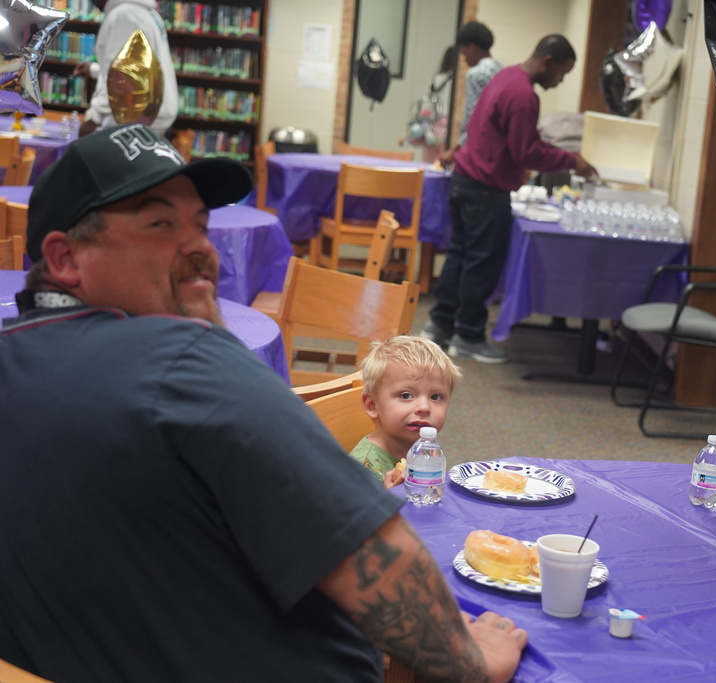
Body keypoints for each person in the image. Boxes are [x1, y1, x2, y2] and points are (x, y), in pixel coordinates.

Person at [0, 123, 526, 682]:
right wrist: (472, 663)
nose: (201, 247)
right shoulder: (185, 361)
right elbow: (373, 555)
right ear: (64, 258)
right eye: (160, 224)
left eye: (199, 224)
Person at [422, 35, 598, 363]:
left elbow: (480, 128)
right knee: (481, 264)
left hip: (464, 179)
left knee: (459, 256)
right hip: (486, 189)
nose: (560, 79)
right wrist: (572, 160)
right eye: (562, 72)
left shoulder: (504, 77)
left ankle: (439, 326)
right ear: (548, 61)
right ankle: (469, 336)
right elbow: (525, 151)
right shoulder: (523, 95)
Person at [350, 335, 462, 488]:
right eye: (406, 395)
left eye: (435, 397)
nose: (424, 407)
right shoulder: (364, 469)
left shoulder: (426, 449)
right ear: (372, 405)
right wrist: (389, 497)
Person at [74, 0, 178, 137]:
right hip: (151, 116)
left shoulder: (124, 15)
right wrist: (94, 70)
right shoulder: (147, 12)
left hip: (132, 122)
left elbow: (121, 79)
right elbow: (138, 71)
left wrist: (93, 118)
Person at [438, 21, 502, 166]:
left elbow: (473, 118)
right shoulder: (500, 70)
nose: (464, 58)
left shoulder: (476, 74)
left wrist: (455, 151)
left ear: (471, 47)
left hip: (477, 153)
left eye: (463, 52)